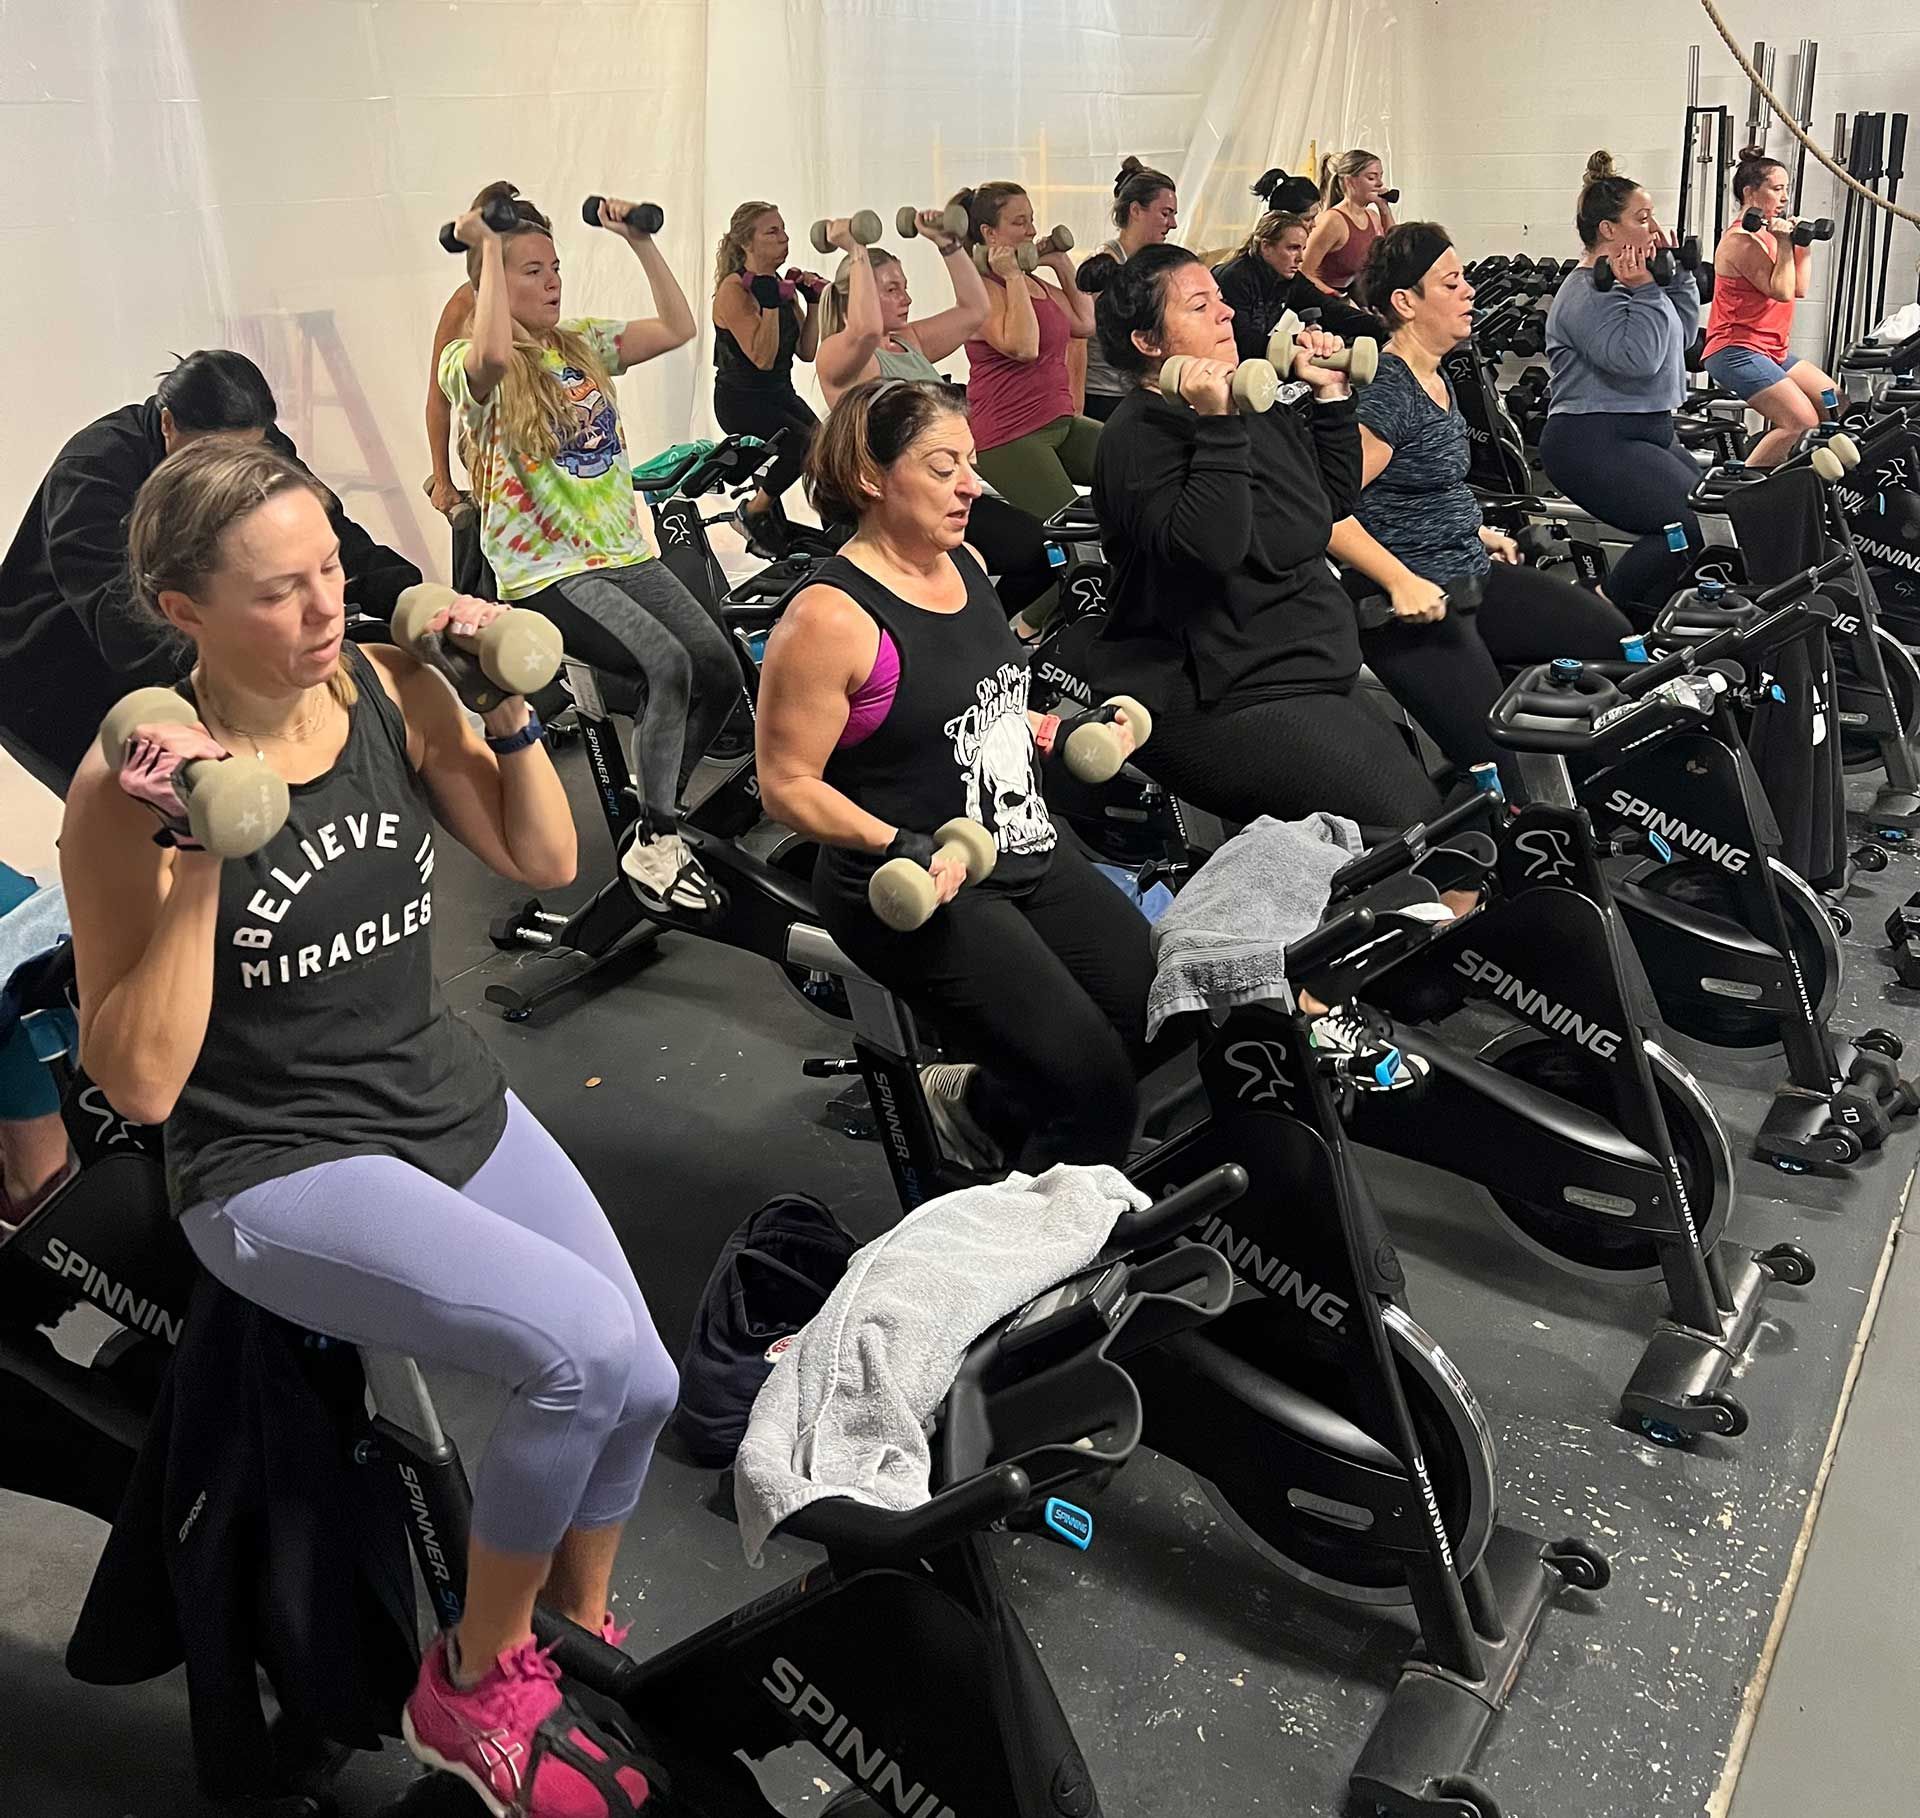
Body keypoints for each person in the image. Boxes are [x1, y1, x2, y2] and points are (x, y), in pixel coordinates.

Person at [58, 438, 674, 1817]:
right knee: (576, 1354)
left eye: (331, 567)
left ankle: (569, 1637)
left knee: (642, 1382)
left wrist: (507, 709)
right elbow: (140, 1083)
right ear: (185, 611)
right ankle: (478, 1680)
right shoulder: (127, 794)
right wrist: (201, 850)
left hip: (431, 1092)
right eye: (279, 590)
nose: (326, 605)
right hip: (272, 1159)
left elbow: (546, 860)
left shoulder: (389, 689)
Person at [754, 378, 1157, 1173]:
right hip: (921, 881)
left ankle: (975, 1106)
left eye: (970, 462)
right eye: (945, 467)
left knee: (1157, 1013)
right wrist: (897, 842)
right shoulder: (829, 618)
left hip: (1026, 846)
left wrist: (1058, 728)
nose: (972, 484)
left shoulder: (964, 563)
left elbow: (980, 701)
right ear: (870, 476)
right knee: (1092, 1094)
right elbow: (787, 784)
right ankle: (1041, 1247)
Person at [441, 180, 739, 912]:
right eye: (531, 270)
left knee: (721, 672)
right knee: (665, 664)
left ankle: (654, 814)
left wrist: (640, 241)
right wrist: (485, 250)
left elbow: (677, 327)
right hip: (547, 570)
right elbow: (488, 356)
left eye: (555, 267)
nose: (552, 281)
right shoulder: (468, 361)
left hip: (624, 553)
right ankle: (659, 838)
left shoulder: (579, 344)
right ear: (493, 281)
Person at [1080, 245, 1445, 836]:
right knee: (1420, 836)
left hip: (1301, 664)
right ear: (1148, 342)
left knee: (1436, 817)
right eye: (1199, 306)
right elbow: (1214, 550)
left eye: (1220, 299)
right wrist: (1218, 424)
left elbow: (1328, 502)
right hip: (1220, 691)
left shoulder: (1251, 402)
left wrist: (1331, 396)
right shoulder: (1137, 437)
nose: (1225, 313)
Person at [0, 350, 420, 795]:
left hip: (166, 639)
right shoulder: (93, 470)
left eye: (245, 452)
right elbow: (119, 618)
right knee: (142, 806)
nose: (225, 470)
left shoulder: (254, 446)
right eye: (209, 453)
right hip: (55, 673)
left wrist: (412, 601)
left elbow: (327, 534)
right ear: (168, 424)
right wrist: (243, 671)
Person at [1326, 223, 1635, 782]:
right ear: (1405, 302)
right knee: (1504, 767)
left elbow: (1427, 483)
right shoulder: (1389, 391)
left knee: (1616, 645)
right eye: (1450, 284)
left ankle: (1594, 792)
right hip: (1412, 606)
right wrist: (1399, 581)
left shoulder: (1436, 374)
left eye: (1463, 279)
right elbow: (1325, 508)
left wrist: (1475, 531)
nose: (1468, 290)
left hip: (1469, 573)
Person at [813, 216, 1060, 628]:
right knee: (1018, 554)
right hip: (887, 504)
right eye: (892, 289)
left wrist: (948, 245)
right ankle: (963, 635)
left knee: (1043, 551)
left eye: (904, 286)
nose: (906, 297)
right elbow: (866, 328)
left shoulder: (908, 340)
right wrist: (854, 249)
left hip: (941, 491)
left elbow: (975, 310)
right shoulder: (840, 352)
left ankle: (981, 633)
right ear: (857, 294)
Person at [1539, 151, 1704, 623]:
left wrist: (1676, 279)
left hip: (1646, 431)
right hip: (1590, 440)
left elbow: (1681, 338)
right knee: (1683, 527)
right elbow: (1638, 360)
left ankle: (1654, 623)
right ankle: (1602, 613)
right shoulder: (1586, 293)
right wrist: (1647, 291)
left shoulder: (1632, 283)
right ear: (1609, 230)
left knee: (1713, 515)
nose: (1654, 229)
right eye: (1642, 218)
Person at [952, 181, 1100, 588]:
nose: (1032, 230)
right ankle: (1029, 619)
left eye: (1032, 220)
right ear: (989, 233)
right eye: (1019, 222)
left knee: (1133, 466)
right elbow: (1023, 346)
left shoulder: (1035, 284)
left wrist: (1060, 261)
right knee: (1078, 537)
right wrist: (1012, 275)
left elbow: (1085, 323)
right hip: (1010, 436)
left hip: (1059, 422)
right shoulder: (982, 290)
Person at [1703, 147, 1837, 466]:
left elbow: (1798, 287)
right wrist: (1787, 243)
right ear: (1750, 193)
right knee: (1800, 422)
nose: (1785, 197)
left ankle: (1805, 480)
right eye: (1777, 189)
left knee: (1834, 403)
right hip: (1736, 350)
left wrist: (1802, 244)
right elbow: (1781, 291)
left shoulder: (1767, 235)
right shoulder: (1740, 241)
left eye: (1786, 189)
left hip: (1771, 350)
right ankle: (1745, 491)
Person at [709, 200, 824, 556]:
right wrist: (771, 304)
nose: (784, 238)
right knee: (801, 444)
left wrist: (813, 303)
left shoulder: (777, 285)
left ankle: (838, 526)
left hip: (779, 393)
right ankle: (751, 513)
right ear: (747, 242)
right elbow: (762, 358)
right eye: (772, 232)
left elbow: (806, 351)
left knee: (828, 446)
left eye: (783, 229)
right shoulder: (733, 290)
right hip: (740, 400)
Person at [1080, 158, 1181, 422]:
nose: (1173, 224)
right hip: (1108, 396)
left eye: (1174, 214)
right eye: (1165, 213)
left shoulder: (1153, 263)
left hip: (1143, 389)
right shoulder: (1104, 265)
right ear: (1136, 210)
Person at [1213, 210, 1385, 364]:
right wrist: (1299, 341)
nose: (1301, 258)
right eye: (1293, 248)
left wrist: (1387, 327)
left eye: (1303, 248)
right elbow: (1242, 343)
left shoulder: (1289, 278)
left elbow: (1332, 311)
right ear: (1266, 247)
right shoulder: (1234, 278)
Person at [1302, 149, 1397, 297]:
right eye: (1372, 178)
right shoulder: (1333, 221)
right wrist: (1335, 297)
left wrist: (1384, 209)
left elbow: (1395, 250)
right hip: (1326, 298)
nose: (1380, 183)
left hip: (1355, 294)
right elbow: (1304, 271)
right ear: (1349, 182)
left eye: (1380, 177)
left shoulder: (1372, 217)